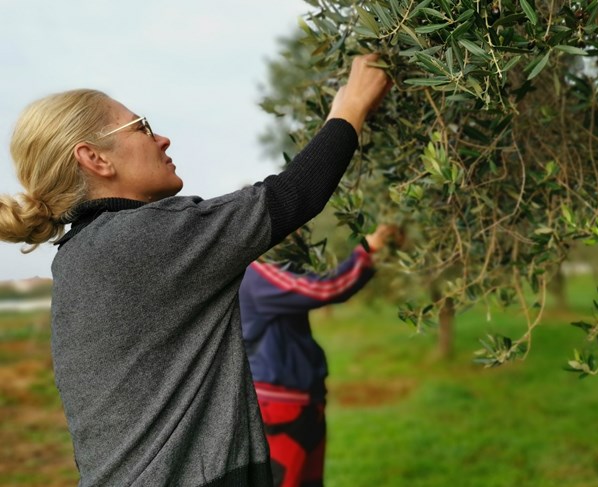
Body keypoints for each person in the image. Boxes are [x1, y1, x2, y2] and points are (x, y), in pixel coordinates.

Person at [0, 53, 392, 486]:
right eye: (142, 127)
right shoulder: (144, 239)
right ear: (95, 158)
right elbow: (291, 195)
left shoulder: (78, 254)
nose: (162, 139)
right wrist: (350, 107)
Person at [238, 225, 397, 487]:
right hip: (281, 405)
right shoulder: (258, 275)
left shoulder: (270, 270)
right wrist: (368, 250)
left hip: (302, 400)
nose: (299, 231)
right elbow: (325, 288)